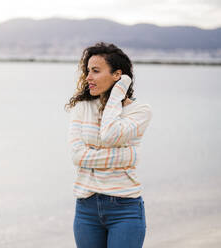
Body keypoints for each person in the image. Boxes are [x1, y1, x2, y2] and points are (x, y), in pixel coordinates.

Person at [65, 42, 153, 248]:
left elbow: (110, 135)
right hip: (86, 208)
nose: (88, 77)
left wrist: (116, 95)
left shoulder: (140, 111)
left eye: (95, 71)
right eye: (88, 71)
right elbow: (77, 156)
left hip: (125, 209)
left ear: (117, 75)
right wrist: (127, 156)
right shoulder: (81, 108)